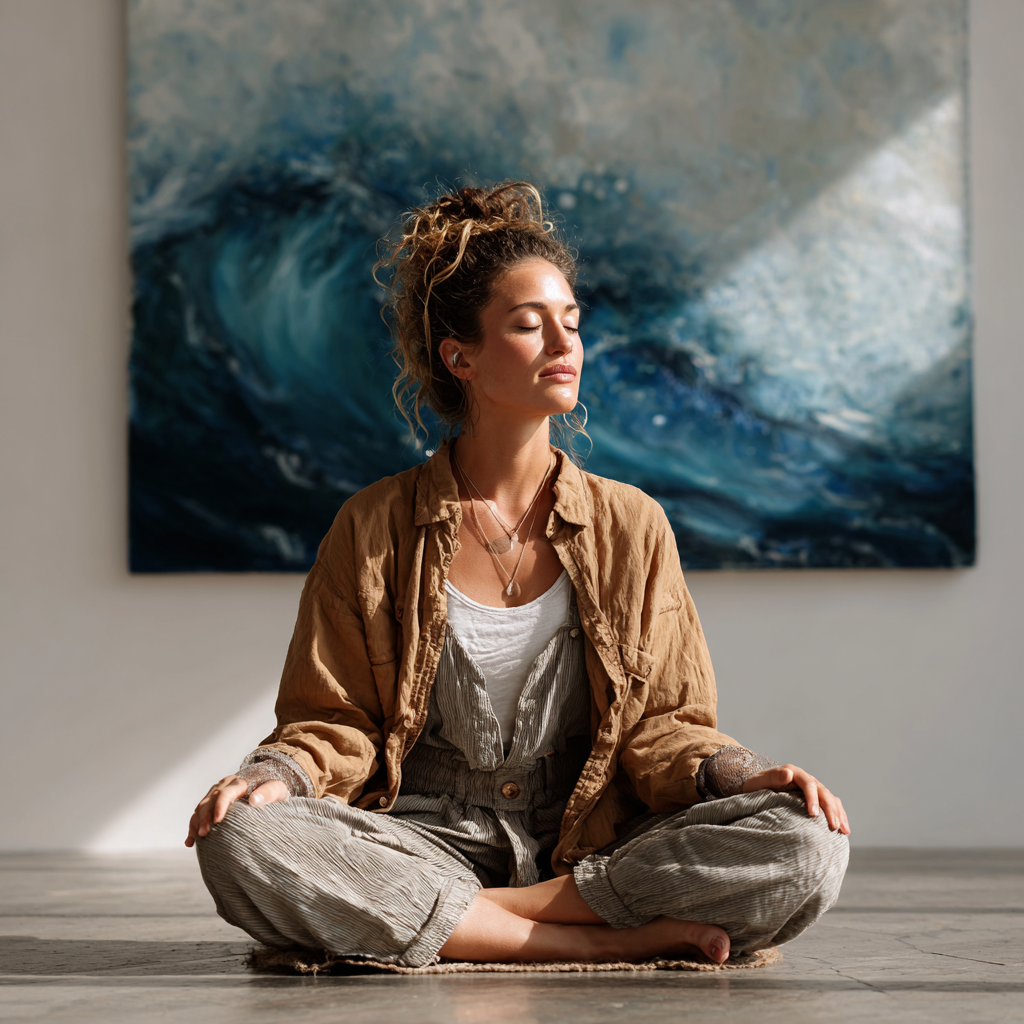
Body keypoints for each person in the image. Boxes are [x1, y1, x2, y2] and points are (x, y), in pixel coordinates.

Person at [186, 182, 850, 968]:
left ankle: (460, 926)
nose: (564, 345)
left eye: (571, 323)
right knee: (239, 838)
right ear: (459, 356)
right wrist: (275, 777)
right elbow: (335, 721)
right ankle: (595, 944)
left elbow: (664, 727)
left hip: (591, 843)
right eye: (529, 326)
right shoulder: (373, 526)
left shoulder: (631, 525)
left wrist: (742, 773)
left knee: (807, 845)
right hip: (420, 835)